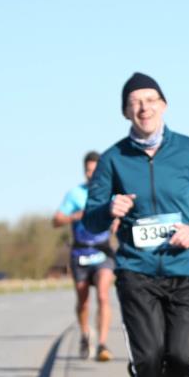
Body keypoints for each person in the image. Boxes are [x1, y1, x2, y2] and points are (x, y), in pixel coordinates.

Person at [84, 72, 189, 377]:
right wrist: (109, 210)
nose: (144, 107)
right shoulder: (112, 159)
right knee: (148, 358)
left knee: (183, 358)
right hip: (136, 270)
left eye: (151, 99)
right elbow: (90, 219)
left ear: (164, 105)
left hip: (186, 269)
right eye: (135, 102)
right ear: (125, 112)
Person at [53, 151, 116, 361]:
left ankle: (102, 344)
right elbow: (56, 220)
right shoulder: (75, 194)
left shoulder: (109, 193)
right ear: (84, 171)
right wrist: (74, 216)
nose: (92, 174)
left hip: (102, 250)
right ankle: (85, 335)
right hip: (80, 252)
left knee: (103, 296)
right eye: (88, 171)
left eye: (95, 170)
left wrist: (116, 220)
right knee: (83, 300)